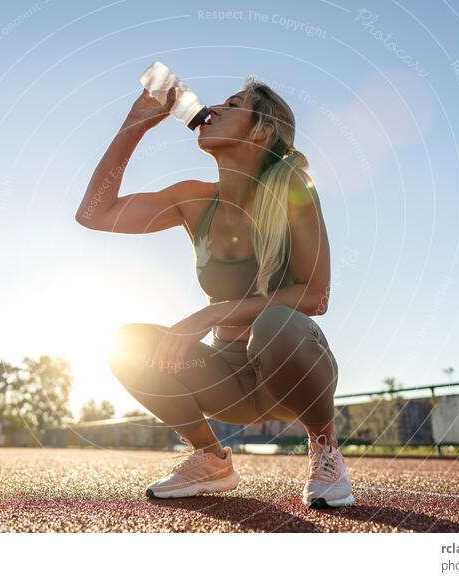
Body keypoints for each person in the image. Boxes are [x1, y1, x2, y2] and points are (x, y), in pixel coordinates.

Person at [74, 76, 355, 509]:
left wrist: (211, 314)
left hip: (291, 370)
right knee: (127, 343)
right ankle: (210, 457)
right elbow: (95, 214)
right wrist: (135, 123)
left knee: (276, 323)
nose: (215, 109)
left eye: (234, 104)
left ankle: (325, 449)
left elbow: (316, 296)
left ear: (261, 130)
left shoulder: (294, 190)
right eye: (219, 103)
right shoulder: (193, 201)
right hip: (228, 382)